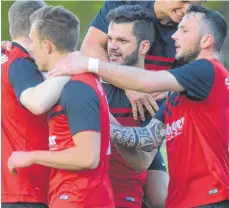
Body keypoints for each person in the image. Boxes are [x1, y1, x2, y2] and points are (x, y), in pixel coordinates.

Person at [48, 5, 229, 208]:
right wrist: (100, 121)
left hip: (209, 196)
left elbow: (146, 81)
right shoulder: (176, 95)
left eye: (184, 30)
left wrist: (89, 64)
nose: (174, 36)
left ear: (206, 40)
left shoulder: (207, 69)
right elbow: (147, 139)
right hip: (183, 201)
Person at [80, 1, 202, 206]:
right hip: (118, 99)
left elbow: (190, 77)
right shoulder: (124, 4)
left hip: (146, 114)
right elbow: (89, 47)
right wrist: (131, 85)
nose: (188, 9)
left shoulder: (188, 26)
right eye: (184, 1)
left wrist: (169, 89)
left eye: (196, 3)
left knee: (162, 197)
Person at [7, 6, 115, 208]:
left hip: (79, 198)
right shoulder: (77, 82)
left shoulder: (76, 89)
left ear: (47, 46)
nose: (29, 50)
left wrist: (30, 156)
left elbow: (88, 157)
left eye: (33, 42)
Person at [1, 1, 72, 208]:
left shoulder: (6, 58)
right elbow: (37, 103)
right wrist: (72, 66)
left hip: (17, 188)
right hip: (27, 188)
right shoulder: (21, 62)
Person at [101, 5, 167, 208]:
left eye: (122, 41)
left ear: (144, 47)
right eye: (110, 39)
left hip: (127, 197)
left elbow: (143, 161)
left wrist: (103, 117)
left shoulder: (157, 93)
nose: (112, 46)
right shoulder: (89, 85)